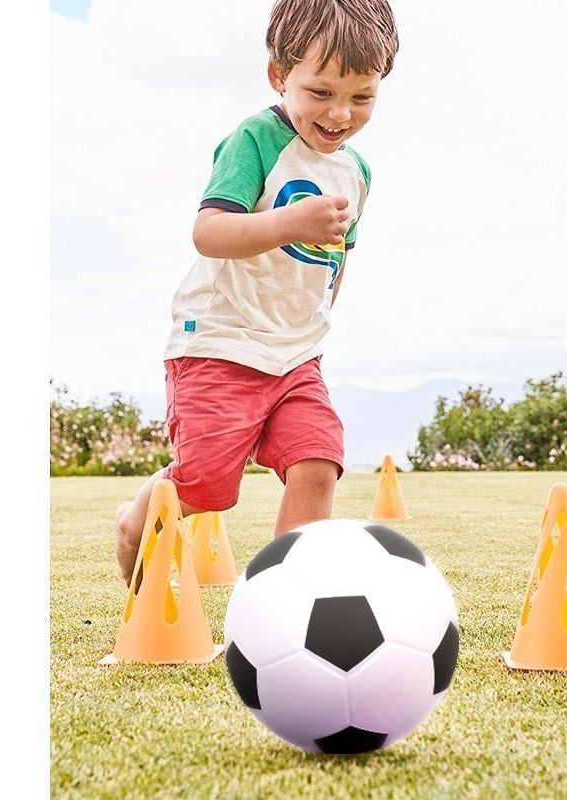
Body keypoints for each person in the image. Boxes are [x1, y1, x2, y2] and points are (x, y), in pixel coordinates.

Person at [114, 0, 400, 584]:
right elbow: (209, 233)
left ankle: (283, 597)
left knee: (319, 462)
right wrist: (291, 223)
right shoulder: (256, 140)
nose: (340, 113)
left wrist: (315, 324)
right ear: (279, 76)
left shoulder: (357, 172)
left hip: (295, 355)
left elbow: (336, 260)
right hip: (220, 342)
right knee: (206, 486)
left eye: (361, 97)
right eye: (320, 93)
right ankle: (133, 519)